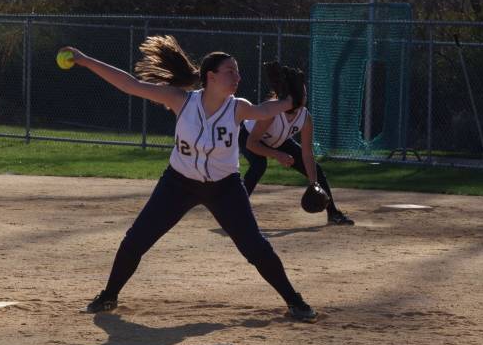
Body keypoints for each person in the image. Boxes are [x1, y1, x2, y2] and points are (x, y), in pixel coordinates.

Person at [60, 35, 318, 322]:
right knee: (136, 240)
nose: (237, 76)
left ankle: (295, 301)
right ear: (211, 76)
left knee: (255, 246)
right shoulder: (180, 100)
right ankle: (109, 295)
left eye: (237, 71)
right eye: (229, 71)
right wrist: (84, 60)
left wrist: (290, 101)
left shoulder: (238, 107)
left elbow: (265, 110)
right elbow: (129, 85)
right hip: (178, 184)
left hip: (225, 188)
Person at [239, 62, 354, 225]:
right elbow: (252, 144)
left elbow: (307, 153)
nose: (305, 97)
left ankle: (333, 213)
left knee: (316, 170)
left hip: (279, 139)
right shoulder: (272, 112)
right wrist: (277, 155)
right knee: (259, 165)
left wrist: (314, 183)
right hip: (248, 136)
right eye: (303, 94)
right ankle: (237, 211)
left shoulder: (305, 117)